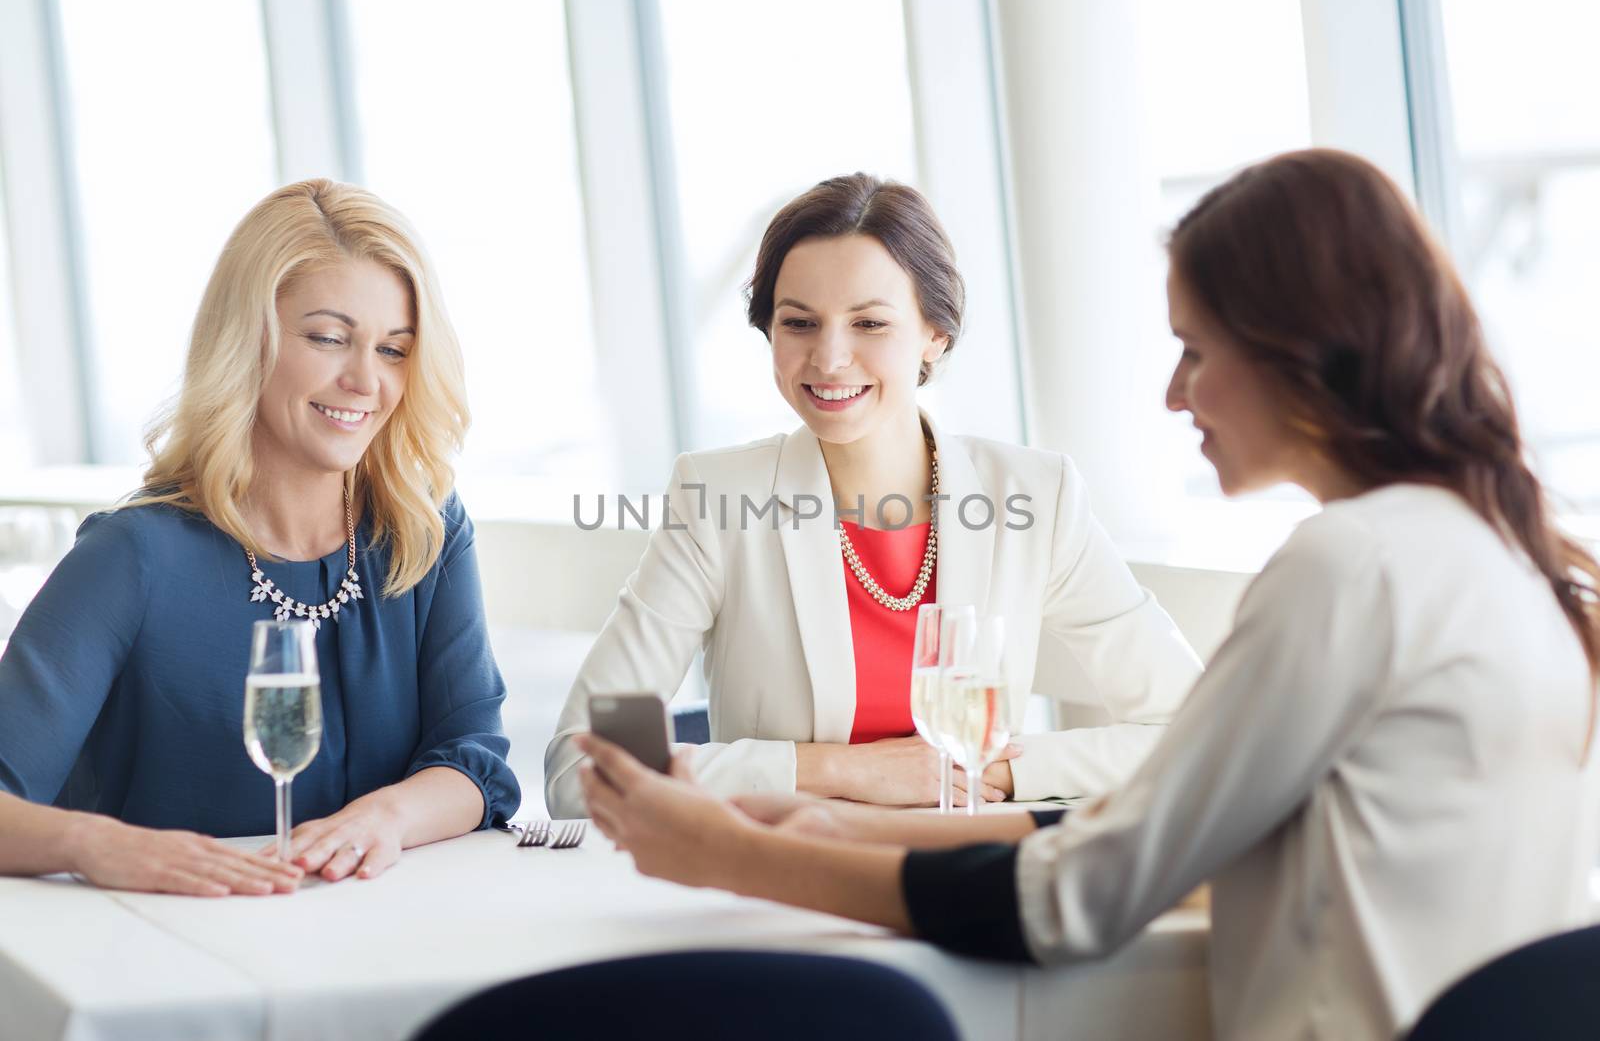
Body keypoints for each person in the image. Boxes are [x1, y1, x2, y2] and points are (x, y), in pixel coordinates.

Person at [576, 149, 1600, 1040]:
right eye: (796, 322)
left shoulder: (1345, 568)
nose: (1170, 391)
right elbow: (1181, 821)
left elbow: (1086, 884)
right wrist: (830, 815)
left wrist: (739, 854)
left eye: (1194, 348)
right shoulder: (1493, 551)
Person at [545, 174, 1201, 818]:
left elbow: (1195, 726)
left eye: (869, 323)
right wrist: (847, 770)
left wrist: (993, 766)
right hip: (782, 885)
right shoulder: (716, 499)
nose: (829, 358)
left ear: (933, 334)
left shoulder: (1034, 497)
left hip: (963, 877)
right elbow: (583, 765)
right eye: (799, 322)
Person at [0, 179, 518, 895]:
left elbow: (474, 762)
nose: (365, 379)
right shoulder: (134, 556)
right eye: (330, 338)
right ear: (250, 340)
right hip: (175, 953)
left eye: (394, 350)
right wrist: (98, 844)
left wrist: (388, 816)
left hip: (391, 946)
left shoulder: (422, 528)